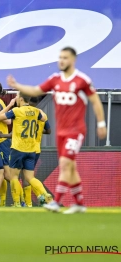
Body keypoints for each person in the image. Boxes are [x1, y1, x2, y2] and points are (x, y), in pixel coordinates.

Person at [7, 47, 106, 214]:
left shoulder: (82, 80)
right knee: (70, 167)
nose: (61, 60)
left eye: (65, 58)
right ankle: (79, 203)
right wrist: (17, 85)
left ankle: (55, 201)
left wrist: (101, 124)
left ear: (73, 60)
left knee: (65, 163)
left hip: (75, 130)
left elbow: (95, 101)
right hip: (61, 131)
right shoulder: (55, 79)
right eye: (60, 57)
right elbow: (36, 91)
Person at [0, 93, 49, 208]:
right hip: (31, 150)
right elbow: (44, 118)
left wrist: (10, 104)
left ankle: (17, 203)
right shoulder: (36, 111)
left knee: (13, 176)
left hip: (18, 148)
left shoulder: (16, 111)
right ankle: (45, 195)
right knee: (30, 177)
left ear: (20, 99)